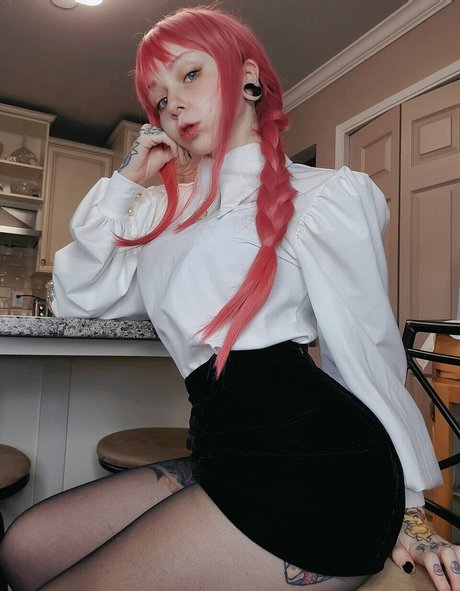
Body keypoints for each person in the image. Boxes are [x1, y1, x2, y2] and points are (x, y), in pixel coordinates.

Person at [0, 6, 458, 591]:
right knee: (24, 548)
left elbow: (367, 356)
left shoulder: (323, 198)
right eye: (159, 99)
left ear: (247, 76)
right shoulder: (158, 215)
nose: (174, 105)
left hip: (321, 472)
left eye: (190, 75)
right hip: (222, 454)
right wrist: (125, 182)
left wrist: (411, 509)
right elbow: (76, 299)